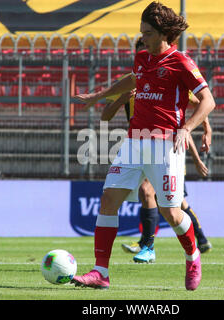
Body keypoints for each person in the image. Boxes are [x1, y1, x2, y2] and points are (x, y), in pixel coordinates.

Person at [72, 1, 216, 291]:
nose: (143, 38)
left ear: (163, 33)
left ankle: (192, 255)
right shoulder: (142, 58)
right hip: (134, 141)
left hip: (165, 145)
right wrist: (99, 96)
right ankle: (101, 271)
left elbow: (208, 101)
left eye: (148, 33)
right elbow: (133, 79)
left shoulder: (182, 62)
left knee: (172, 213)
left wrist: (187, 128)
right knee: (109, 199)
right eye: (142, 32)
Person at [101, 50, 213, 262]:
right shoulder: (131, 83)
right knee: (152, 196)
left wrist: (205, 130)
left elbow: (199, 103)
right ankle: (151, 245)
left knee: (174, 205)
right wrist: (121, 99)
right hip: (138, 145)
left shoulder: (167, 81)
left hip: (166, 147)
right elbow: (105, 116)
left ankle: (192, 240)